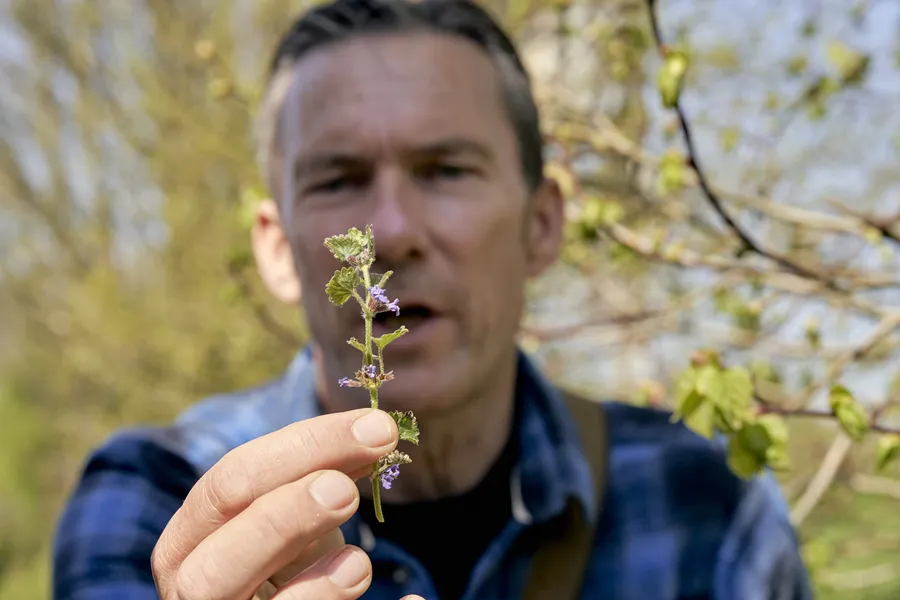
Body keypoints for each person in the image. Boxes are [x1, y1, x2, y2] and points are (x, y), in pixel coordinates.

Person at [52, 0, 813, 598]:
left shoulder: (703, 500)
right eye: (339, 179)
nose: (390, 231)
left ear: (541, 224)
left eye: (446, 169)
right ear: (276, 248)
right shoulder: (156, 499)